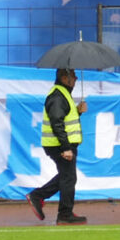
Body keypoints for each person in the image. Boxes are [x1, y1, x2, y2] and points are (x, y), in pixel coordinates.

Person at [26, 67, 88, 225]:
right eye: (73, 75)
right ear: (64, 78)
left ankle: (39, 197)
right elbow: (57, 123)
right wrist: (66, 148)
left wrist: (78, 111)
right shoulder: (58, 96)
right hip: (59, 145)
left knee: (67, 176)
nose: (76, 78)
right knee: (68, 177)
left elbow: (63, 118)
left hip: (58, 144)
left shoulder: (62, 94)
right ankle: (64, 215)